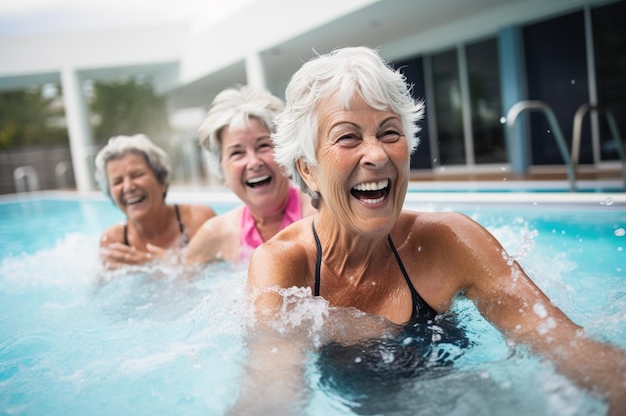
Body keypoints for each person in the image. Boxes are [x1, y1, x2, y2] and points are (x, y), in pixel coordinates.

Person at [241, 47, 626, 414]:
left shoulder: (449, 240)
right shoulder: (284, 266)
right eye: (348, 137)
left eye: (390, 133)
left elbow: (557, 338)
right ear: (308, 170)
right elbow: (271, 389)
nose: (377, 155)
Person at [184, 85, 316, 265]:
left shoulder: (321, 216)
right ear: (221, 172)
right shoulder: (216, 235)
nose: (254, 162)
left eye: (263, 146)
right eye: (237, 153)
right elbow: (181, 288)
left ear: (285, 155)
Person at [95, 134, 216, 268]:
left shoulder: (197, 219)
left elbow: (216, 273)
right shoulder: (114, 242)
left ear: (162, 181)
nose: (128, 187)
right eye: (117, 181)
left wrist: (163, 263)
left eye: (137, 175)